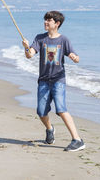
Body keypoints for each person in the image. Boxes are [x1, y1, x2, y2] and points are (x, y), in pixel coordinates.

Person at [22, 10, 85, 152]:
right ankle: (50, 129)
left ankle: (77, 140)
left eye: (49, 20)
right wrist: (26, 47)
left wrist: (75, 58)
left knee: (61, 109)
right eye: (45, 19)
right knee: (41, 112)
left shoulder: (63, 40)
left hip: (58, 80)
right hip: (44, 80)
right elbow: (29, 55)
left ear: (57, 24)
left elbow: (75, 56)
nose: (45, 22)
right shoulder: (40, 38)